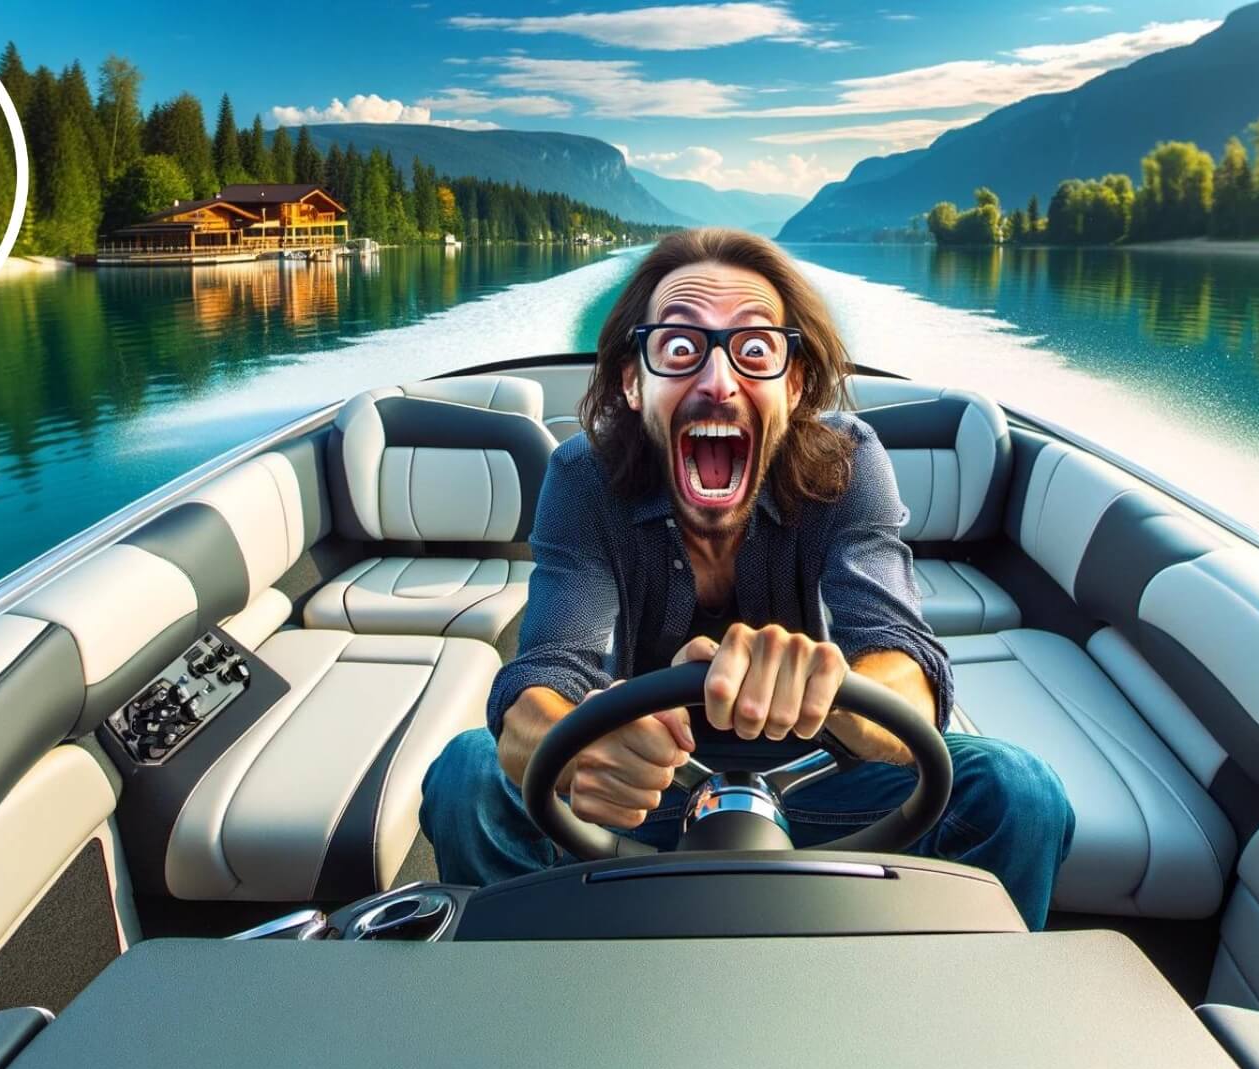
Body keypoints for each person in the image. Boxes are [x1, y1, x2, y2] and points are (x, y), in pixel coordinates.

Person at [419, 228, 1073, 928]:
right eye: (680, 349)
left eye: (755, 350)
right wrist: (579, 749)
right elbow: (542, 680)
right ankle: (532, 1007)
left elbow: (908, 674)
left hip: (821, 779)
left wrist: (832, 694)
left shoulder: (848, 463)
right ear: (633, 383)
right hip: (646, 788)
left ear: (793, 386)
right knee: (467, 775)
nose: (718, 382)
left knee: (1018, 791)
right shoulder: (584, 476)